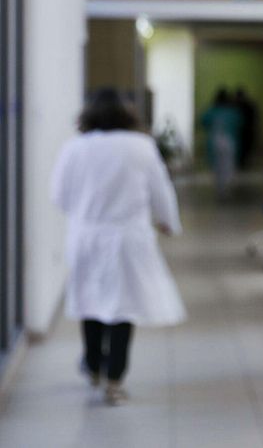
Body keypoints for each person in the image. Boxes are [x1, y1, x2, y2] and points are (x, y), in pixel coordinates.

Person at [50, 88, 185, 406]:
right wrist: (168, 222)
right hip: (128, 238)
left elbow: (58, 195)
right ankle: (115, 379)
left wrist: (84, 212)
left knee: (91, 301)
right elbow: (160, 190)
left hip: (87, 236)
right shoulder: (141, 146)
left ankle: (93, 365)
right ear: (128, 115)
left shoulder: (75, 148)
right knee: (124, 308)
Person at [200, 88, 243, 197]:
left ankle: (220, 188)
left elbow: (203, 121)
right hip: (229, 140)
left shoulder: (212, 110)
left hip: (215, 140)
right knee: (228, 164)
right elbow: (240, 123)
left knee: (218, 165)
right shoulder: (232, 112)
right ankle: (226, 187)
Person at [233, 87, 258, 169]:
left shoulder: (234, 106)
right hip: (247, 130)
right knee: (246, 148)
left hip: (241, 130)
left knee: (242, 148)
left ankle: (241, 162)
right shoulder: (249, 105)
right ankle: (243, 162)